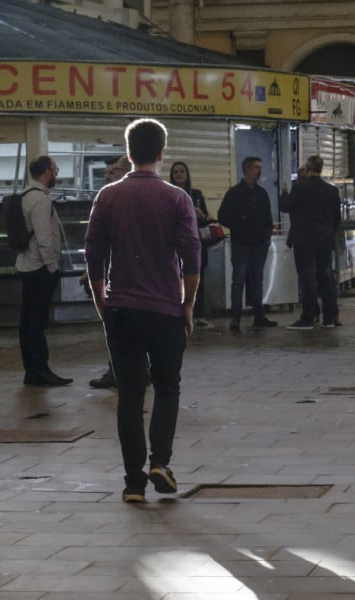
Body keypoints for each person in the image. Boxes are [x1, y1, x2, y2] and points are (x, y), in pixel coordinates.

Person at [84, 118, 201, 503]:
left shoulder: (108, 196)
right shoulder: (177, 198)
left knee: (130, 395)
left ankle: (133, 482)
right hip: (166, 309)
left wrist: (102, 300)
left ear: (129, 152)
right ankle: (160, 462)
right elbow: (191, 256)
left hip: (121, 310)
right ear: (162, 154)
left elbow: (94, 253)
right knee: (168, 387)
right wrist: (187, 304)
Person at [16, 155, 72, 387]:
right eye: (55, 170)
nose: (56, 174)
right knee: (37, 323)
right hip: (40, 268)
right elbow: (44, 238)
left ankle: (31, 371)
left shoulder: (26, 196)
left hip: (27, 265)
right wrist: (53, 267)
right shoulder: (41, 200)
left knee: (28, 321)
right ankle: (40, 370)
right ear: (47, 171)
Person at [279, 156, 342, 330]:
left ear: (307, 168)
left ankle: (308, 317)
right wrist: (328, 233)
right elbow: (337, 219)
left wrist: (285, 192)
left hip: (304, 240)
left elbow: (285, 206)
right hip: (324, 240)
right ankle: (329, 318)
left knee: (307, 278)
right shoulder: (331, 191)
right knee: (326, 277)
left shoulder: (300, 187)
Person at [218, 156, 278, 331]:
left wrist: (267, 235)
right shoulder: (234, 193)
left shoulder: (262, 193)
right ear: (248, 169)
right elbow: (223, 216)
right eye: (257, 167)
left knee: (257, 280)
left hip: (260, 244)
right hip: (241, 244)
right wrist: (240, 225)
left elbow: (267, 216)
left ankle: (259, 316)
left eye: (260, 167)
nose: (260, 171)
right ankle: (236, 318)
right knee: (239, 280)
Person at [87, 155, 132, 390]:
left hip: (120, 279)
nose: (107, 175)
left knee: (119, 330)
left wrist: (93, 273)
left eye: (112, 171)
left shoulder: (111, 200)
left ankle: (118, 372)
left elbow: (99, 243)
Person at [170, 161, 214, 331]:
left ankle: (199, 315)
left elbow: (205, 218)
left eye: (182, 172)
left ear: (187, 175)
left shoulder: (196, 194)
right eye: (176, 172)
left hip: (195, 244)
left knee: (197, 280)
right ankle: (176, 313)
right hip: (175, 245)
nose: (180, 175)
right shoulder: (169, 194)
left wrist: (201, 214)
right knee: (176, 279)